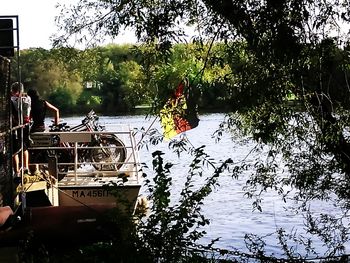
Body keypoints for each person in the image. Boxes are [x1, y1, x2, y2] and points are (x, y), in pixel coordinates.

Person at [11, 82, 31, 179]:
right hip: (26, 125)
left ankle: (16, 172)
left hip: (16, 126)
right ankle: (26, 167)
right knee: (24, 147)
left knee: (15, 150)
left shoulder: (12, 100)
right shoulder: (28, 98)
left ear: (13, 90)